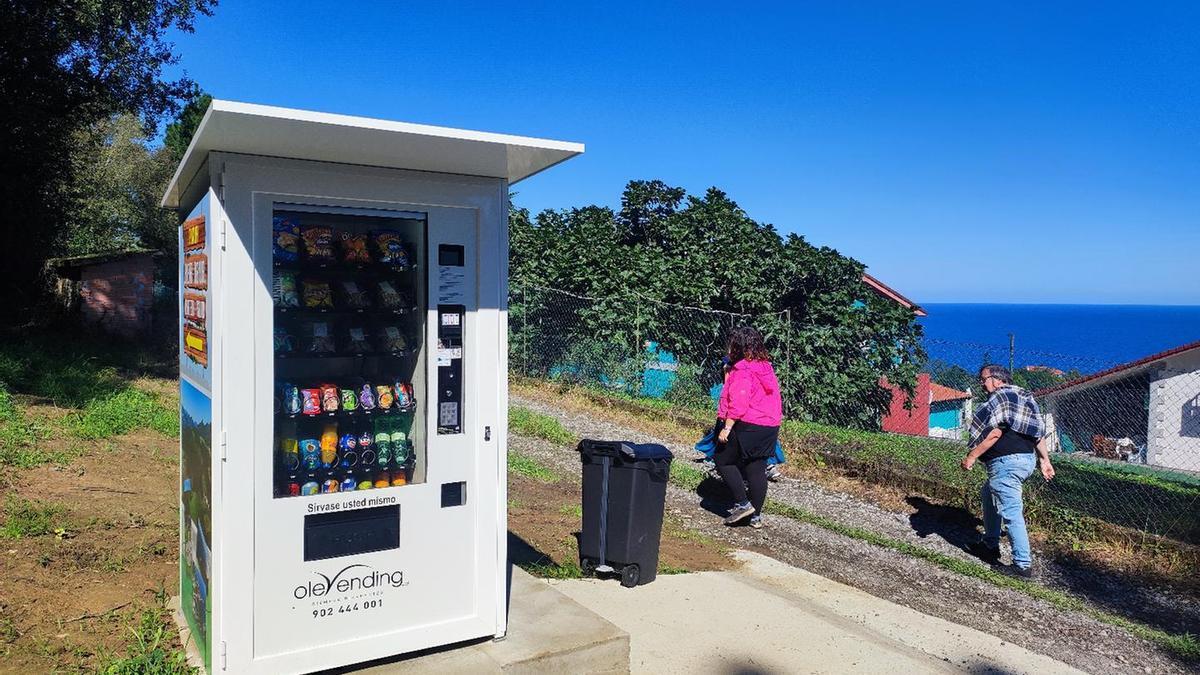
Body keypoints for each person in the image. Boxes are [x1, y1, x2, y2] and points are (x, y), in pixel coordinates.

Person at [960, 364, 1056, 577]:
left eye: (983, 379)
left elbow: (995, 433)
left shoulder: (1000, 397)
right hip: (1025, 460)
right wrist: (1045, 460)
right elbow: (1037, 434)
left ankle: (1022, 565)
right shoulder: (1025, 398)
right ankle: (990, 544)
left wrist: (972, 456)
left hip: (1007, 462)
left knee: (1011, 511)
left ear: (996, 379)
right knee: (989, 493)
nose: (982, 384)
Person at [714, 327, 783, 529]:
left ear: (737, 346)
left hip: (749, 422)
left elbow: (739, 402)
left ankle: (743, 504)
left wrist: (727, 428)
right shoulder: (766, 366)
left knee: (723, 460)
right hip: (769, 425)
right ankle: (756, 517)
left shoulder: (742, 369)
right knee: (756, 469)